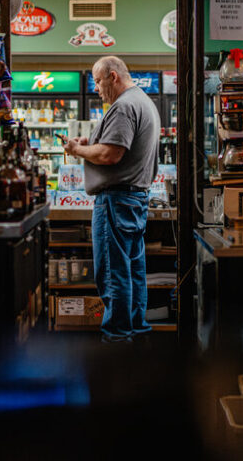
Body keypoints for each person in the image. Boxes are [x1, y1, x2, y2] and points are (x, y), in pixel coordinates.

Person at [64, 57, 160, 343]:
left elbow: (110, 154)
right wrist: (88, 144)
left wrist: (77, 151)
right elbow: (112, 148)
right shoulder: (142, 101)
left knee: (113, 274)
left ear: (113, 76)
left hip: (115, 201)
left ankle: (117, 342)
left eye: (97, 80)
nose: (96, 88)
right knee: (132, 272)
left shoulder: (123, 106)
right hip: (133, 199)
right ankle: (135, 336)